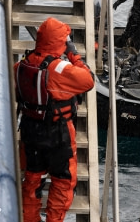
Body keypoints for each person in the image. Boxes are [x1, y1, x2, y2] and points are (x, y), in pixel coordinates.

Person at [14, 17, 94, 222]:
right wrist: (74, 54)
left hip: (30, 131)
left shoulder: (20, 66)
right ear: (60, 42)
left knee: (32, 179)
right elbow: (88, 80)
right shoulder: (60, 69)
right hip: (58, 134)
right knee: (62, 182)